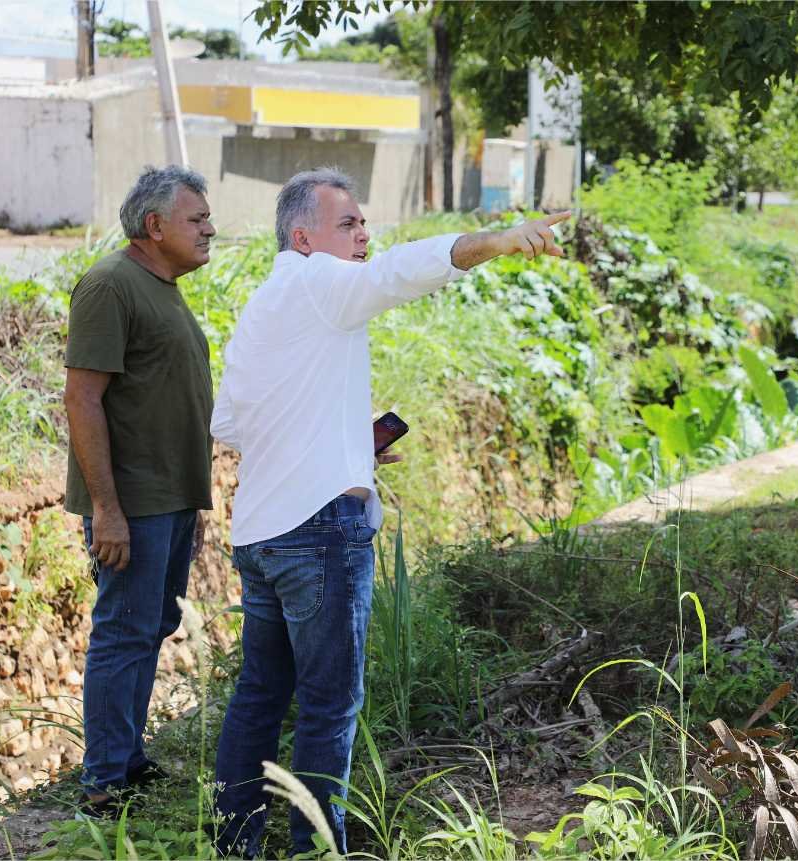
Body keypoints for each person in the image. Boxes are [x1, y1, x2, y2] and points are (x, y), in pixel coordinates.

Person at [211, 166, 567, 856]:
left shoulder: (264, 303)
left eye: (364, 222)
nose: (365, 234)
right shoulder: (320, 281)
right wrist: (495, 241)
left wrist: (342, 442)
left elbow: (229, 422)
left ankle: (235, 845)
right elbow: (398, 273)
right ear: (303, 235)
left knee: (259, 695)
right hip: (318, 533)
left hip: (261, 533)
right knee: (328, 705)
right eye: (348, 224)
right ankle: (318, 850)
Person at [63, 165, 216, 816]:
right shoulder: (109, 285)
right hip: (133, 503)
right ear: (154, 226)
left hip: (170, 499)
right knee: (124, 631)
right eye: (196, 219)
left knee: (150, 626)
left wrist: (194, 499)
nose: (211, 229)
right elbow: (82, 397)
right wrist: (106, 508)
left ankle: (125, 758)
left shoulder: (163, 287)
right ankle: (103, 783)